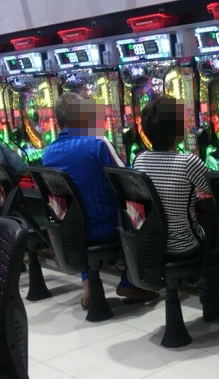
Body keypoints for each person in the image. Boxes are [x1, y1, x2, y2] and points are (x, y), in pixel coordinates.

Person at [42, 92, 157, 309]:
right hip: (106, 228)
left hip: (69, 231)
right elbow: (130, 182)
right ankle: (131, 282)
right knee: (145, 212)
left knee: (81, 213)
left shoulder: (48, 153)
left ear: (57, 120)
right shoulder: (97, 143)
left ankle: (88, 287)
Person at [132, 95, 219, 321]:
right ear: (177, 129)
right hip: (184, 245)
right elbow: (218, 191)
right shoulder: (187, 161)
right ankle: (211, 305)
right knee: (217, 236)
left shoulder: (139, 160)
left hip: (151, 244)